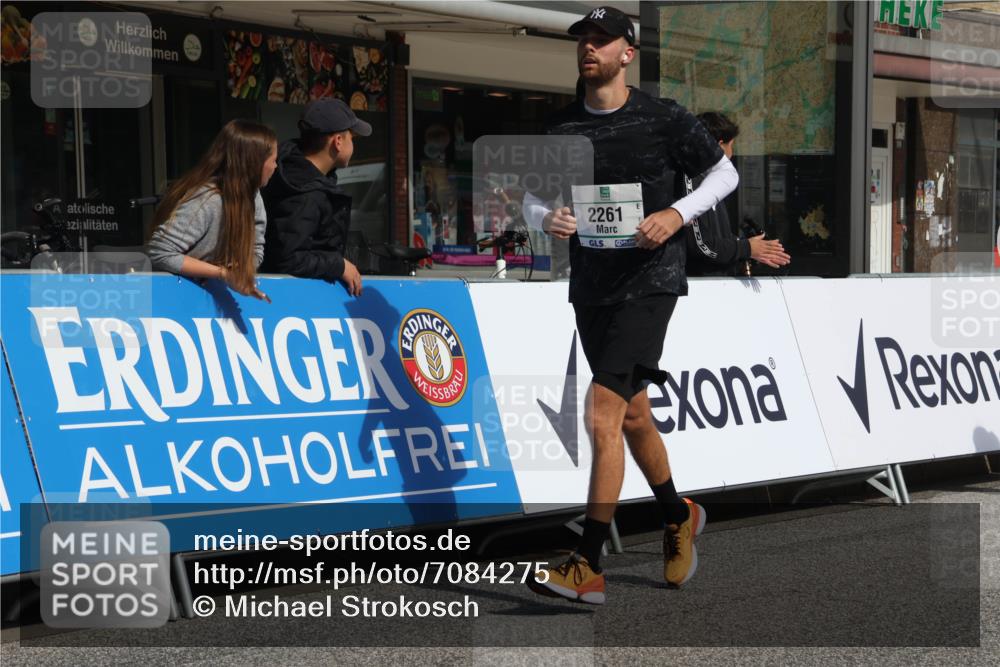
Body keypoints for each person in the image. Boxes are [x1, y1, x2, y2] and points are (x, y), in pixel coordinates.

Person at [522, 6, 739, 604]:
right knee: (634, 415)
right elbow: (529, 200)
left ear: (627, 53)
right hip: (592, 286)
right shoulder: (560, 128)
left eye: (601, 40)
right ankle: (677, 514)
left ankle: (586, 563)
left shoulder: (664, 118)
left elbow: (724, 176)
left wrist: (675, 214)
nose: (588, 48)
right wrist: (549, 218)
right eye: (582, 40)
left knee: (600, 415)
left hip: (651, 282)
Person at [148, 119, 276, 301]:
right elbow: (160, 252)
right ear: (254, 163)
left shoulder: (254, 197)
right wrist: (222, 273)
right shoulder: (207, 199)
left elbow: (256, 248)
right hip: (171, 298)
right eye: (273, 160)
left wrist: (240, 271)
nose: (275, 167)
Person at [261, 99, 371, 297]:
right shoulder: (305, 192)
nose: (353, 145)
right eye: (351, 138)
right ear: (338, 141)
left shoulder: (300, 176)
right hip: (292, 302)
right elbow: (290, 259)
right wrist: (339, 265)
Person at [686, 112, 790, 276]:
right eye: (731, 145)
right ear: (719, 146)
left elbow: (719, 238)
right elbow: (702, 246)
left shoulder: (712, 181)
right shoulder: (691, 183)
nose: (731, 153)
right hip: (701, 288)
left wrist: (751, 247)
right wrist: (746, 248)